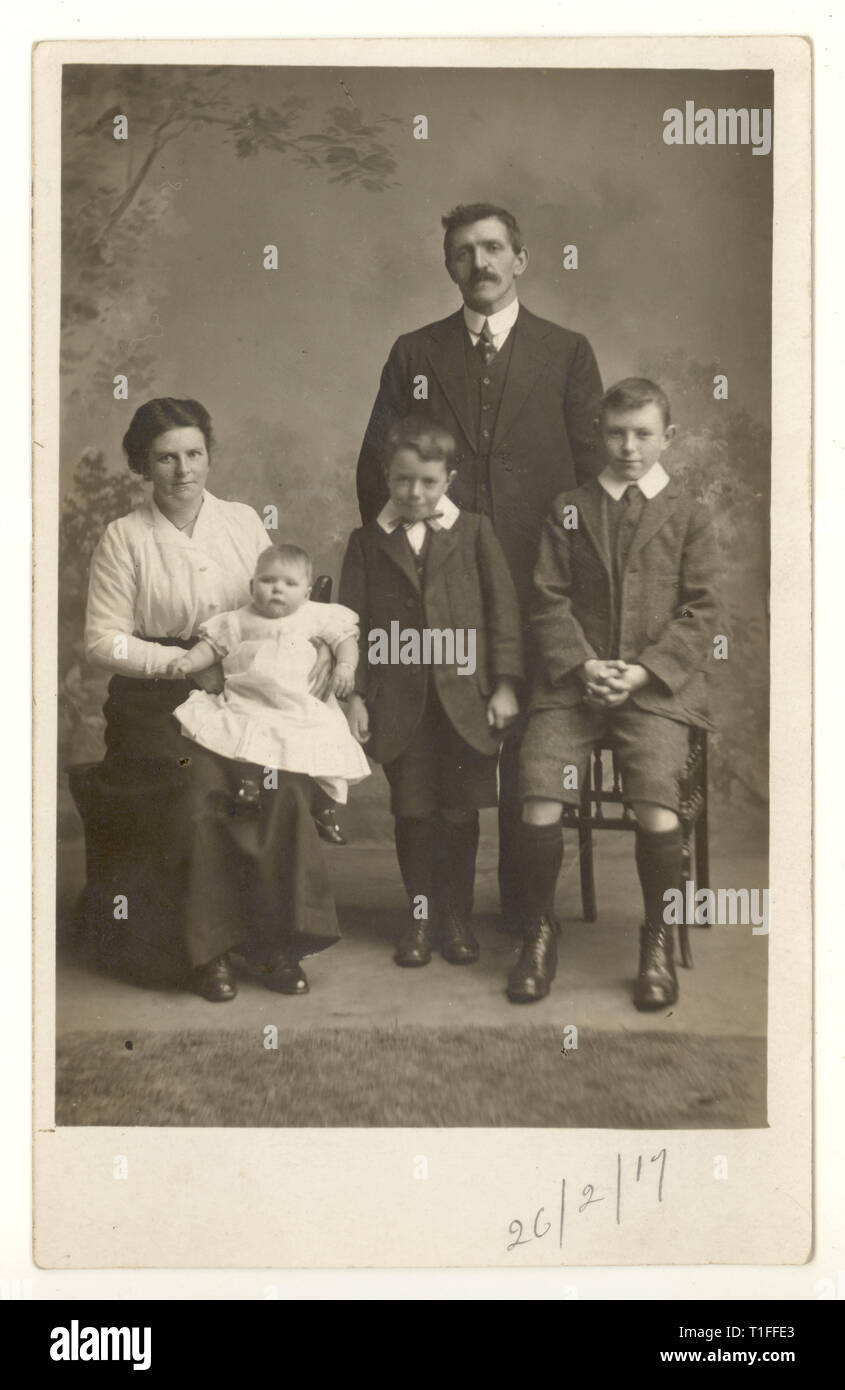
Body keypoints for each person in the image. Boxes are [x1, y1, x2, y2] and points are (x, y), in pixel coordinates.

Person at [355, 201, 604, 929]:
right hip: (443, 598)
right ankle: (445, 914)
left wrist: (578, 581)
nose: (481, 264)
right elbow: (376, 466)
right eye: (464, 252)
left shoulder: (566, 351)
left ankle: (529, 921)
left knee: (529, 756)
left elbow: (593, 477)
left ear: (520, 259)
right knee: (447, 758)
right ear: (447, 266)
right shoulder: (415, 352)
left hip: (540, 587)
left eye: (494, 248)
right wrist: (414, 550)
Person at [81, 397, 341, 1002]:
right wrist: (177, 666)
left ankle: (274, 942)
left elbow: (281, 600)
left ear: (209, 455)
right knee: (199, 782)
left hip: (242, 690)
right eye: (165, 458)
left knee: (277, 781)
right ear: (142, 466)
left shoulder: (244, 521)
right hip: (153, 701)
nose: (183, 470)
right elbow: (101, 640)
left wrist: (319, 645)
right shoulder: (124, 538)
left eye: (194, 453)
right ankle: (207, 952)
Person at [511, 378, 718, 1006]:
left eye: (644, 434)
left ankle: (655, 939)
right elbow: (547, 598)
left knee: (657, 800)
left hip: (654, 692)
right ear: (599, 435)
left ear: (667, 438)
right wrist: (581, 666)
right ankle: (539, 932)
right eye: (616, 433)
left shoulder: (689, 513)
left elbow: (703, 612)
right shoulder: (569, 506)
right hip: (575, 688)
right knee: (538, 789)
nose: (629, 447)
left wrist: (643, 671)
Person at [340, 414, 523, 967]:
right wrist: (355, 695)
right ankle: (420, 916)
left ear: (449, 479)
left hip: (465, 700)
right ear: (386, 477)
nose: (414, 492)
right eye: (402, 481)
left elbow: (503, 613)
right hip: (401, 704)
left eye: (427, 481)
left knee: (460, 814)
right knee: (415, 812)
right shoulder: (368, 541)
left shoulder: (474, 532)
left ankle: (457, 917)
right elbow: (353, 625)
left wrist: (505, 686)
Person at [168, 543, 371, 816]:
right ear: (253, 586)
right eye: (268, 580)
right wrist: (189, 661)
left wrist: (346, 666)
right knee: (240, 738)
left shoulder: (316, 615)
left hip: (301, 704)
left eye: (290, 583)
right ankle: (248, 786)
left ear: (307, 593)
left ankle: (323, 805)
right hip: (250, 700)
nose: (277, 588)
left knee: (321, 740)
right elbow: (211, 647)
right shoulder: (238, 619)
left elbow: (344, 639)